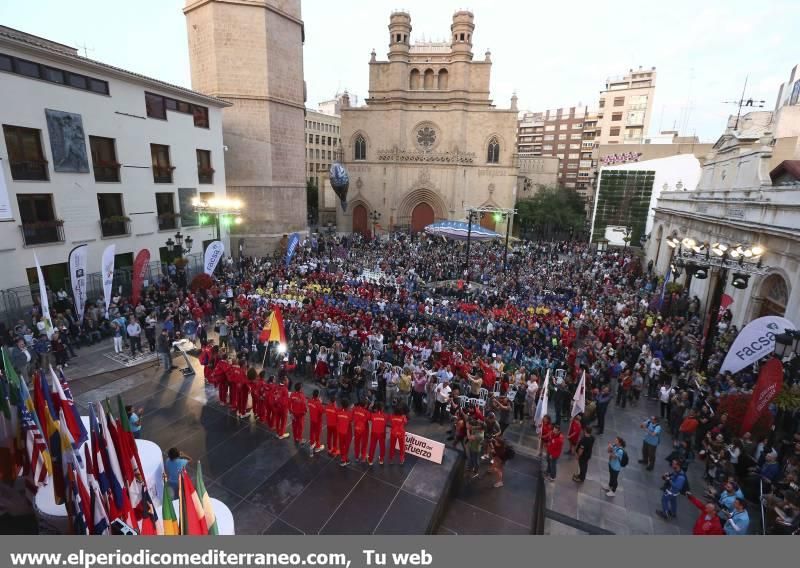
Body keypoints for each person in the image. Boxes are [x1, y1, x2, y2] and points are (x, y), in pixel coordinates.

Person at [336, 399, 354, 466]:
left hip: (340, 431)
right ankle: (344, 460)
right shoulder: (349, 413)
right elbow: (351, 419)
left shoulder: (338, 411)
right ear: (348, 406)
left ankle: (342, 457)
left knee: (341, 445)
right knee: (346, 446)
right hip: (347, 432)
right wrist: (352, 410)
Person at [307, 389, 325, 454]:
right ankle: (318, 446)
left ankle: (312, 443)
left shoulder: (309, 401)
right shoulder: (318, 403)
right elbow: (323, 411)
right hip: (318, 421)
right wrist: (320, 402)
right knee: (318, 434)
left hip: (312, 419)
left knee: (312, 432)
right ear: (318, 395)